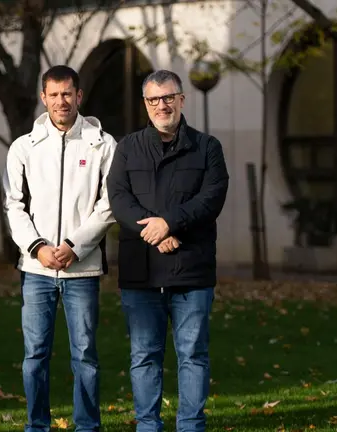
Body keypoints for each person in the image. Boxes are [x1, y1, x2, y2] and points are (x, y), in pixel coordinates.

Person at [106, 69, 229, 432]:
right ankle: (148, 426)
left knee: (192, 355)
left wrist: (170, 223)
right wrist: (156, 230)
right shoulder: (128, 147)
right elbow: (118, 198)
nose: (162, 105)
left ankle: (190, 426)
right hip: (140, 271)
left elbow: (212, 198)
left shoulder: (207, 147)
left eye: (169, 97)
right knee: (144, 356)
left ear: (182, 100)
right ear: (145, 104)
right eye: (154, 99)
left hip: (192, 268)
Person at [3, 65, 117, 432]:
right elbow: (13, 204)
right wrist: (37, 248)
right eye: (53, 95)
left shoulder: (102, 143)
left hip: (81, 269)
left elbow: (109, 203)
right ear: (43, 97)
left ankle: (87, 425)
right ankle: (37, 426)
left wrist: (74, 245)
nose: (60, 101)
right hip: (36, 271)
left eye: (67, 93)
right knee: (34, 355)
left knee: (85, 354)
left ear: (79, 96)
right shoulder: (24, 147)